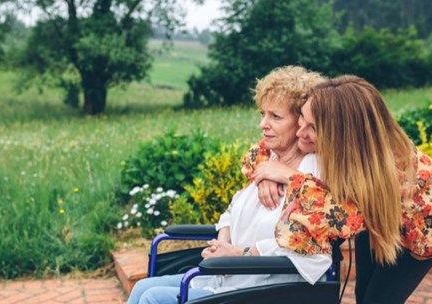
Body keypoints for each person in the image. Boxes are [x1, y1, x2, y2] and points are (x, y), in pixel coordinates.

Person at [127, 66, 330, 304]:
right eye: (262, 114)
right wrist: (223, 243)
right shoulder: (268, 161)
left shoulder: (312, 175)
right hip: (229, 276)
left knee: (155, 298)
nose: (263, 124)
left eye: (275, 116)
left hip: (268, 289)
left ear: (302, 122)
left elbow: (309, 252)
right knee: (143, 288)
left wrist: (236, 254)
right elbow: (232, 211)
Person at [256, 75, 432, 303]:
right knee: (362, 291)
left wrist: (290, 176)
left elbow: (341, 219)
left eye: (312, 128)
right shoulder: (340, 139)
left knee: (377, 300)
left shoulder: (389, 168)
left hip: (416, 232)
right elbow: (264, 149)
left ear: (343, 133)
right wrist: (265, 174)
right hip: (375, 218)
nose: (299, 133)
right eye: (301, 120)